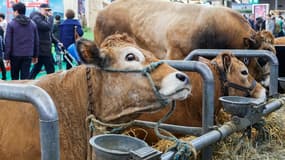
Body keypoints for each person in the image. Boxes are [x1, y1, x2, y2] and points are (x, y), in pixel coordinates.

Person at [4, 2, 39, 80]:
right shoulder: (33, 24)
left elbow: (8, 42)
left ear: (16, 11)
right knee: (25, 78)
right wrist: (35, 55)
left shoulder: (11, 24)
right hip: (28, 54)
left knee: (15, 78)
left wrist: (6, 57)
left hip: (15, 55)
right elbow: (36, 41)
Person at [29, 3, 60, 79]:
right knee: (50, 68)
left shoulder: (43, 17)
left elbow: (49, 33)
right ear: (40, 9)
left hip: (44, 48)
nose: (47, 12)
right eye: (46, 10)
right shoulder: (36, 18)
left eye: (49, 10)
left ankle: (28, 82)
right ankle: (53, 84)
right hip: (42, 48)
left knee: (37, 68)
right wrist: (51, 17)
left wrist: (57, 41)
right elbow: (47, 27)